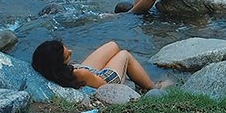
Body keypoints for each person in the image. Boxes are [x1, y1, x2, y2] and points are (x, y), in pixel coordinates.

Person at [32, 40, 165, 90]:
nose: (71, 51)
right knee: (124, 54)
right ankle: (153, 87)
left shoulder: (48, 68)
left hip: (86, 72)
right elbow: (104, 86)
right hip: (105, 79)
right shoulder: (79, 74)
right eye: (68, 56)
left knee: (112, 45)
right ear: (60, 64)